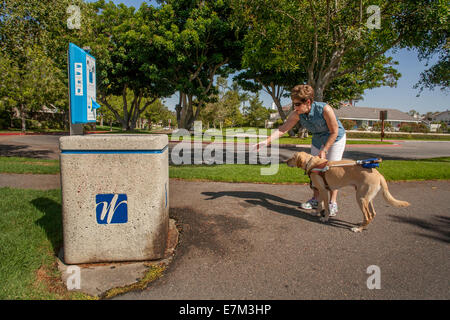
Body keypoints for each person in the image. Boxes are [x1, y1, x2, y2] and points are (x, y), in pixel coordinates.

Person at [255, 84, 346, 216]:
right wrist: (266, 141)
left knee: (331, 171)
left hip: (335, 139)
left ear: (307, 102)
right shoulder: (297, 113)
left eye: (297, 104)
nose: (294, 107)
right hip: (317, 140)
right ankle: (316, 199)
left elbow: (334, 131)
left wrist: (325, 149)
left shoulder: (325, 109)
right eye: (294, 104)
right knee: (313, 170)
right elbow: (283, 128)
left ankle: (333, 202)